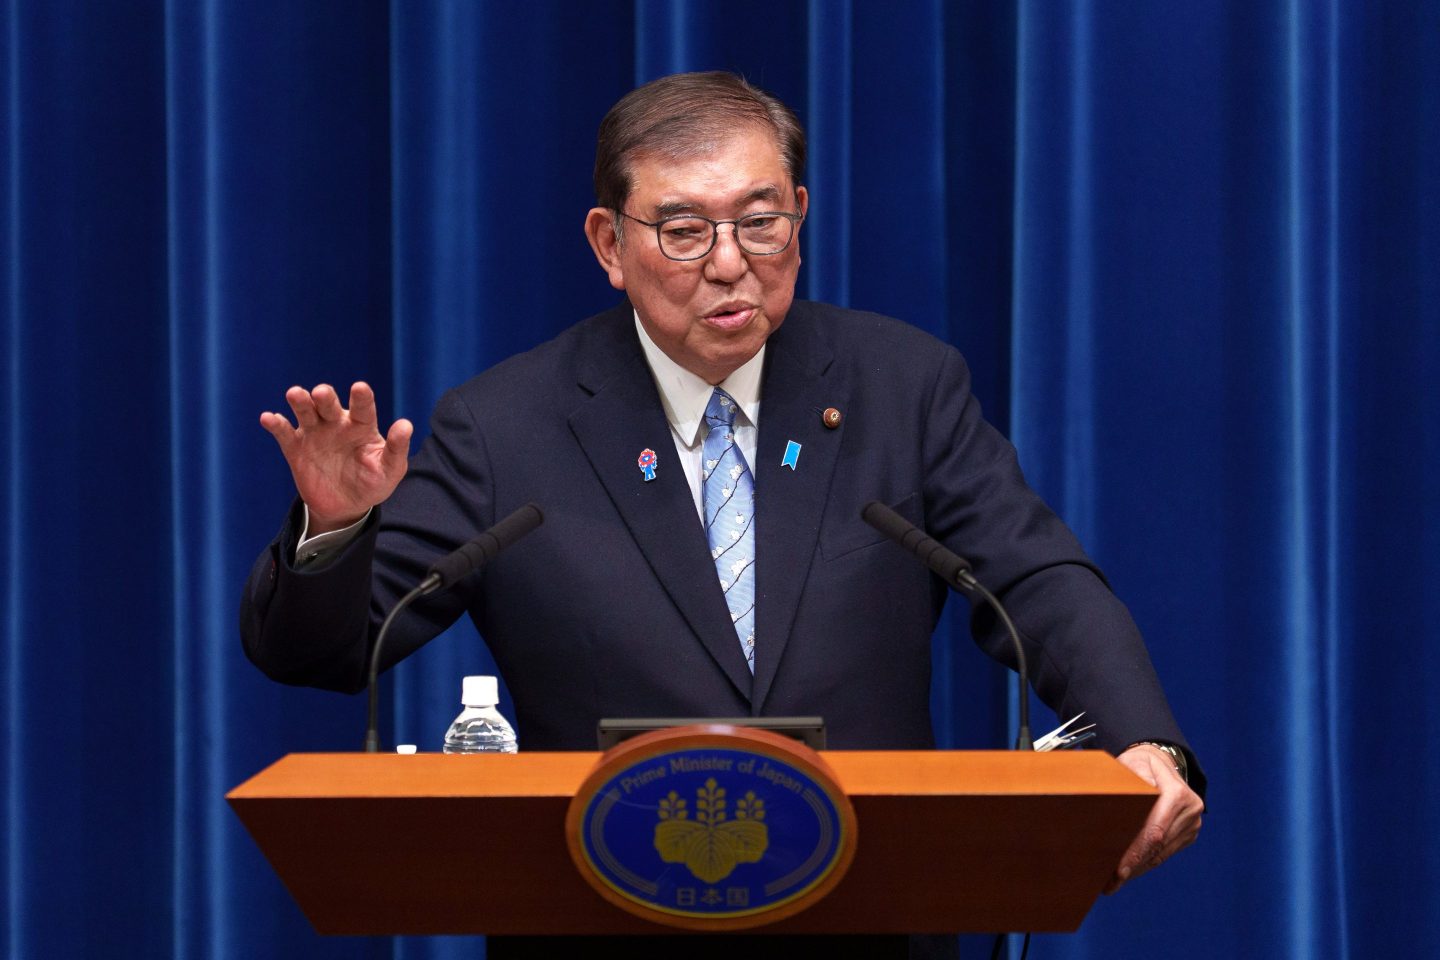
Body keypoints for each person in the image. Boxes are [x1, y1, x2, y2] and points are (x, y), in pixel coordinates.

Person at [243, 71, 1203, 958]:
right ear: (608, 245)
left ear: (802, 218)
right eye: (684, 230)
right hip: (602, 926)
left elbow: (1034, 579)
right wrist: (335, 531)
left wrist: (1143, 741)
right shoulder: (507, 427)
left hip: (872, 924)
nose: (731, 264)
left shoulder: (901, 385)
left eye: (761, 222)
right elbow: (324, 657)